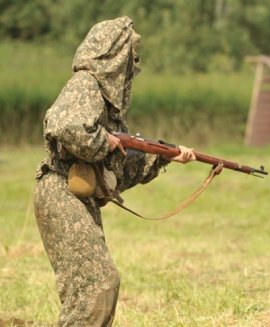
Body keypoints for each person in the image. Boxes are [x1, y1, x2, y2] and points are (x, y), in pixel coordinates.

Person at [33, 16, 195, 326]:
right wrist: (103, 141)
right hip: (60, 192)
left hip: (76, 197)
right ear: (115, 53)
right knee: (97, 285)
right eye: (132, 55)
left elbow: (117, 170)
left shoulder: (107, 109)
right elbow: (64, 126)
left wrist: (164, 157)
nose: (136, 64)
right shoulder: (87, 84)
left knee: (96, 286)